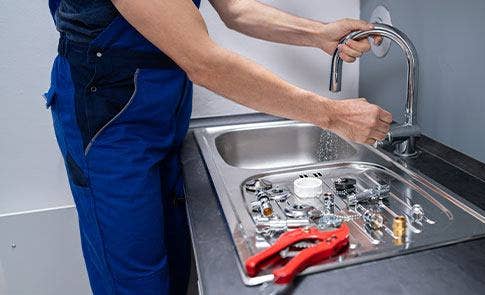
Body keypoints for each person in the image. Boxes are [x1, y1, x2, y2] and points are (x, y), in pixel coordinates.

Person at [44, 0, 391, 294]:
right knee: (136, 278)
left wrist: (319, 34)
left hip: (161, 111)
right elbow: (205, 63)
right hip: (107, 120)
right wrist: (332, 115)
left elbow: (236, 9)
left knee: (175, 263)